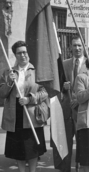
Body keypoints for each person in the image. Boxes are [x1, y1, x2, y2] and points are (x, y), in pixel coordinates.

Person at [0, 41, 48, 172]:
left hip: (31, 112)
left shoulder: (37, 71)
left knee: (32, 148)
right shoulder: (8, 73)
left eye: (25, 52)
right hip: (15, 114)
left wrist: (30, 99)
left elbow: (45, 93)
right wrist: (9, 81)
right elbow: (2, 94)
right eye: (19, 53)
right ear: (15, 55)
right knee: (18, 149)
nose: (23, 55)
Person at [53, 35, 87, 172]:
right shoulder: (64, 64)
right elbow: (56, 85)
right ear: (70, 47)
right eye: (74, 45)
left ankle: (81, 167)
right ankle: (65, 168)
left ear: (83, 46)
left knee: (82, 142)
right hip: (66, 109)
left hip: (83, 108)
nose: (77, 48)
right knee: (65, 141)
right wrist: (63, 87)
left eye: (79, 45)